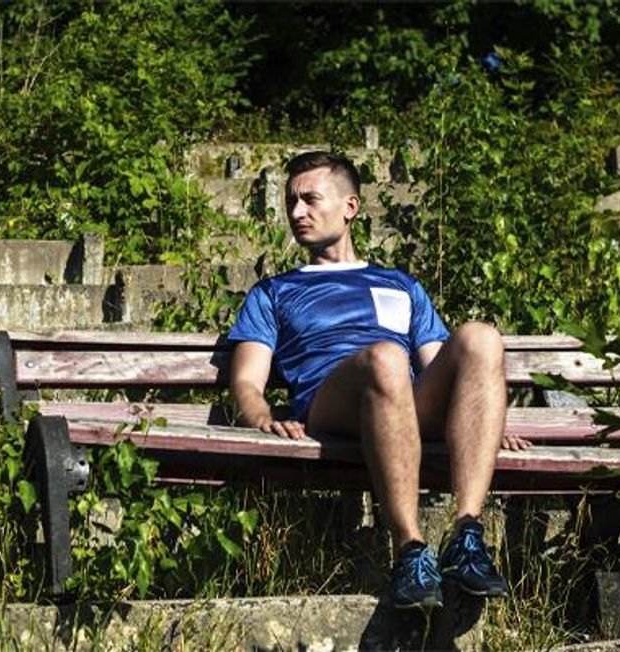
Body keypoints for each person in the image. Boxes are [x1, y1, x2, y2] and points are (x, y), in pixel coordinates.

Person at [227, 150, 530, 609]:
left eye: (310, 199)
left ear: (350, 207)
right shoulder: (274, 291)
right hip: (332, 405)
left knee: (481, 339)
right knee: (387, 357)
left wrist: (482, 420)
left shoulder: (400, 284)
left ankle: (466, 535)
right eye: (291, 202)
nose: (296, 213)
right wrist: (263, 417)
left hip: (403, 402)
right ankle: (410, 551)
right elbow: (247, 383)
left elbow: (445, 366)